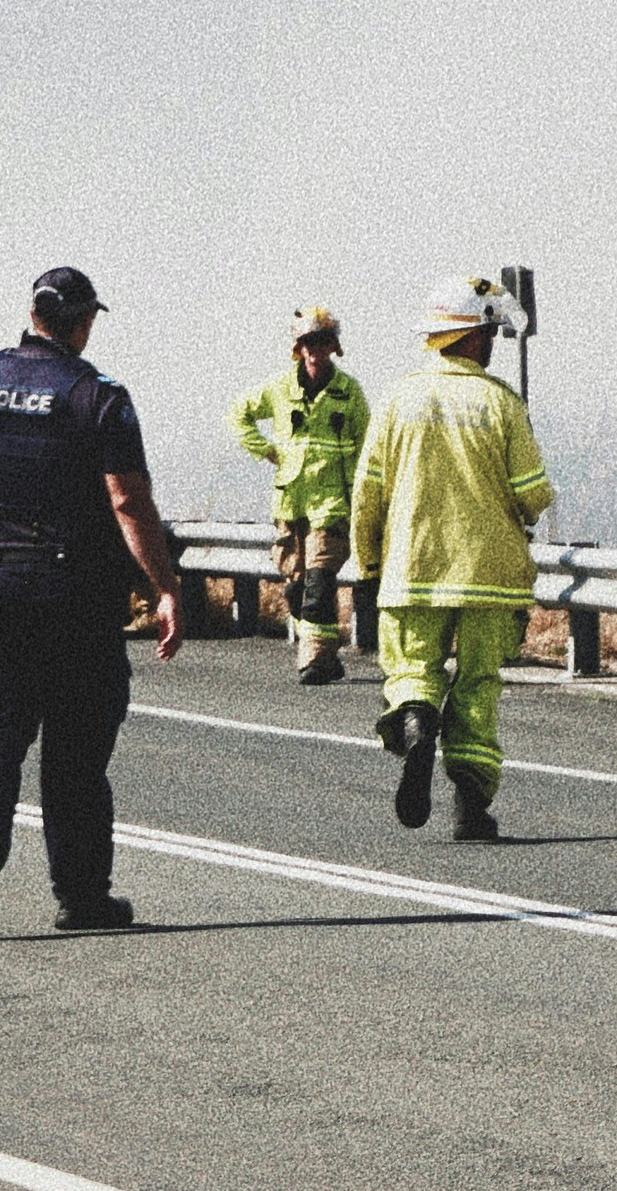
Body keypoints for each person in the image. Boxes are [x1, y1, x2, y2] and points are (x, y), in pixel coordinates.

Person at [0, 266, 181, 940]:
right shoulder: (95, 396)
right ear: (81, 321)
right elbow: (128, 502)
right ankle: (81, 895)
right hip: (75, 594)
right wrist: (165, 588)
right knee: (74, 753)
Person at [352, 278, 551, 841]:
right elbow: (532, 492)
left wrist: (369, 566)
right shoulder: (501, 403)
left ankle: (416, 724)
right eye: (488, 332)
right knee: (478, 684)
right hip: (491, 576)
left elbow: (367, 495)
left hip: (412, 571)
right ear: (476, 337)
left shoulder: (396, 399)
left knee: (414, 670)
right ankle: (470, 805)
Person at [229, 307, 368, 683]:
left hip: (332, 504)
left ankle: (314, 662)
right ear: (298, 347)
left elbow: (365, 450)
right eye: (307, 343)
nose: (313, 351)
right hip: (291, 503)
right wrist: (266, 450)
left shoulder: (349, 393)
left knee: (319, 585)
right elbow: (239, 414)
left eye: (321, 343)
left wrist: (363, 503)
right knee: (296, 588)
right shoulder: (279, 389)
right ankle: (327, 653)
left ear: (333, 347)